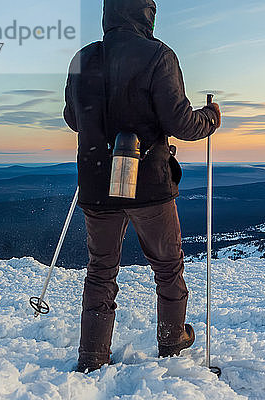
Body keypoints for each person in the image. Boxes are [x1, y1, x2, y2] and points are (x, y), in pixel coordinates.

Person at [63, 0, 221, 373]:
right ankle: (171, 341)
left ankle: (93, 355)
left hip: (95, 181)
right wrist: (210, 118)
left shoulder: (83, 58)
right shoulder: (158, 56)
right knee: (167, 266)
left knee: (101, 269)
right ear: (145, 13)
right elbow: (182, 123)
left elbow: (73, 119)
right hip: (149, 183)